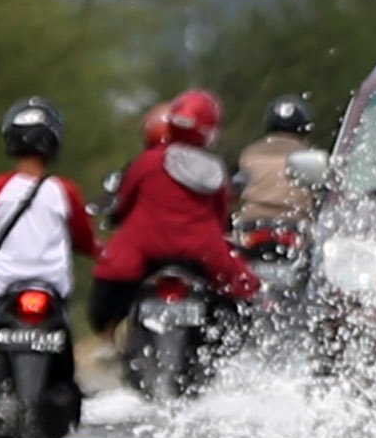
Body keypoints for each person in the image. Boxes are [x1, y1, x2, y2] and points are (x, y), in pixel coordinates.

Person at [92, 86, 261, 331]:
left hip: (145, 246)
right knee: (244, 295)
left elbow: (125, 200)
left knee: (111, 277)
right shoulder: (214, 169)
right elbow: (220, 214)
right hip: (202, 250)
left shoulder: (148, 162)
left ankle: (112, 336)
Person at [0, 96, 97, 355]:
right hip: (53, 284)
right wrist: (97, 251)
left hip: (6, 285)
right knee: (62, 321)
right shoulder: (65, 190)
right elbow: (84, 238)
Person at [230, 95, 319, 230]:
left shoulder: (248, 154)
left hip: (251, 223)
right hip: (295, 225)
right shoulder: (313, 158)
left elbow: (233, 189)